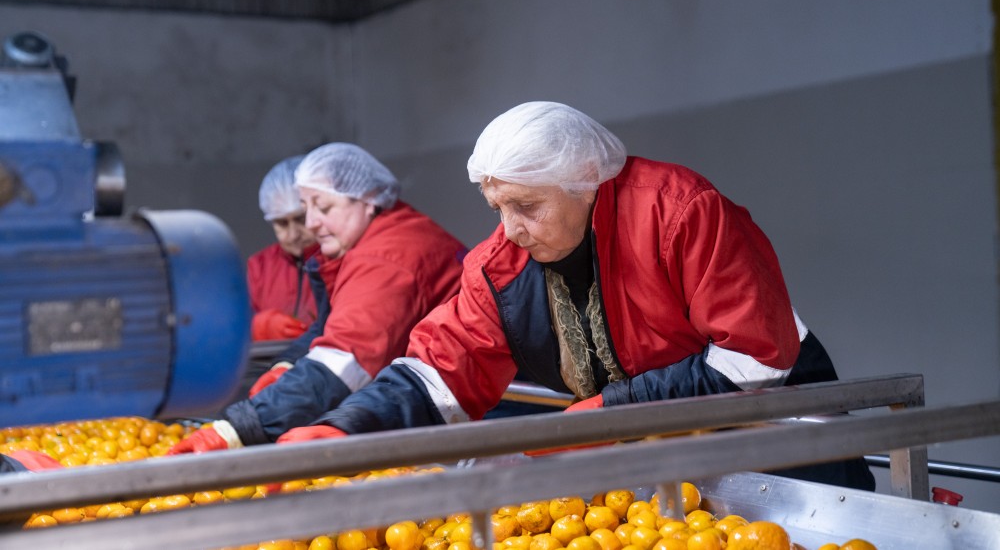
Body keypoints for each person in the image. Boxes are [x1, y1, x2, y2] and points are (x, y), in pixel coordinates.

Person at [275, 101, 876, 491]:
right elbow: (442, 369)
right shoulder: (503, 264)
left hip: (788, 460)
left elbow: (755, 357)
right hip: (668, 475)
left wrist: (609, 412)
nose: (508, 228)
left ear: (585, 183)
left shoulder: (679, 212)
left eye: (527, 207)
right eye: (498, 208)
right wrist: (347, 427)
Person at [168, 143, 467, 452]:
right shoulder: (374, 242)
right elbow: (330, 326)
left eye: (322, 208)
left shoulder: (387, 259)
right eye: (306, 207)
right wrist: (286, 366)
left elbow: (341, 364)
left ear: (367, 201)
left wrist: (239, 429)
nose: (310, 224)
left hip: (472, 414)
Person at [247, 155, 320, 342]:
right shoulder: (259, 267)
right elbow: (229, 328)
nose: (294, 234)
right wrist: (260, 327)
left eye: (300, 219)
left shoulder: (339, 259)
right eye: (282, 223)